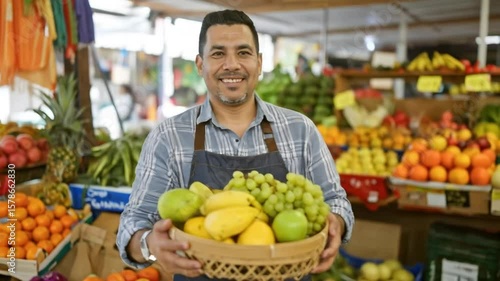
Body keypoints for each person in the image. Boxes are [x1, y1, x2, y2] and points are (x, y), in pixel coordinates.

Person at [116, 10, 354, 281]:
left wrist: (337, 221)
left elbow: (336, 201)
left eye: (243, 53)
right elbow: (133, 222)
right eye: (218, 54)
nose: (232, 65)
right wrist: (148, 244)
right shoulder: (168, 136)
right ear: (200, 64)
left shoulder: (300, 130)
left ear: (259, 62)